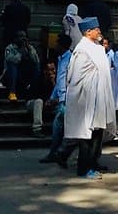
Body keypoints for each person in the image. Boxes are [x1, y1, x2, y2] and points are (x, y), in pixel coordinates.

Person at [61, 17, 116, 180]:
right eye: (96, 29)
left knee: (97, 135)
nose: (99, 31)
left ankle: (93, 163)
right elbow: (76, 77)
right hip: (86, 99)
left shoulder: (97, 47)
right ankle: (83, 169)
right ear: (88, 32)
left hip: (99, 98)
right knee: (87, 136)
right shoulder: (82, 49)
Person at [39, 36, 73, 165]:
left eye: (57, 43)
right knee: (60, 129)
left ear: (62, 45)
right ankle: (58, 153)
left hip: (66, 99)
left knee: (59, 127)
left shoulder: (70, 59)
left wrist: (60, 98)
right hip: (60, 98)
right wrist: (53, 97)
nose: (55, 46)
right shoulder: (60, 59)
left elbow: (68, 81)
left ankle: (57, 153)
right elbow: (59, 81)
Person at [3, 31, 40, 103]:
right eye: (20, 37)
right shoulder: (10, 48)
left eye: (24, 37)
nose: (22, 39)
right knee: (13, 66)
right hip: (10, 76)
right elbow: (12, 60)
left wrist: (28, 51)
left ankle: (34, 90)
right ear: (15, 39)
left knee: (35, 66)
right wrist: (20, 52)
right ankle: (12, 92)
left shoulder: (30, 48)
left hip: (24, 75)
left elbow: (36, 61)